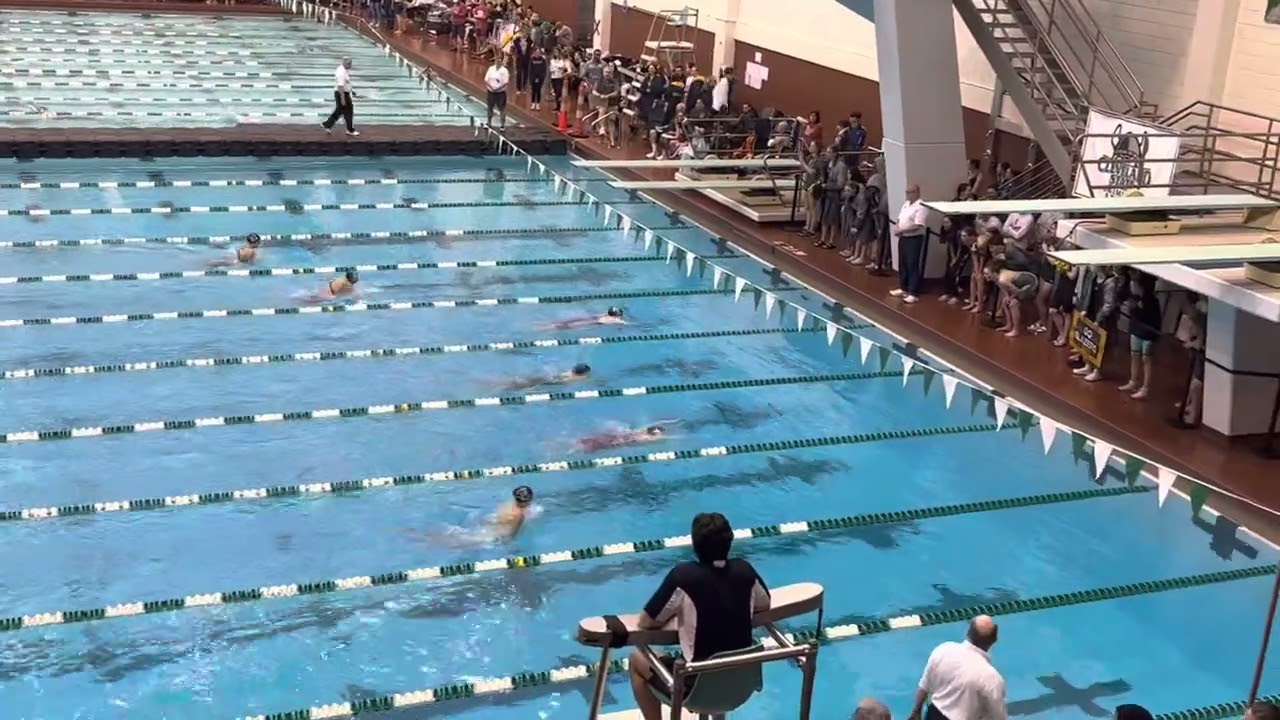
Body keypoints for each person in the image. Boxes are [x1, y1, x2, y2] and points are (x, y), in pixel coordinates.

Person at [627, 512, 771, 720]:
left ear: (694, 545)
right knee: (721, 660)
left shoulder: (684, 576)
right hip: (741, 688)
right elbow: (764, 603)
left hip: (697, 692)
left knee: (636, 660)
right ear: (729, 541)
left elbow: (646, 621)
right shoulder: (745, 571)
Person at [907, 616, 1007, 720]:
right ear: (994, 639)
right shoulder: (992, 679)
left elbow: (924, 686)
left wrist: (916, 712)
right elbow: (998, 717)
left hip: (933, 715)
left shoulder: (944, 650)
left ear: (968, 632)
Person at [890, 182, 928, 304]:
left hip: (914, 238)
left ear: (917, 192)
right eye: (907, 192)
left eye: (910, 192)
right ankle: (903, 287)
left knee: (912, 263)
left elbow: (918, 225)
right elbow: (900, 219)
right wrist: (897, 228)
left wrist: (902, 229)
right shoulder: (906, 204)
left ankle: (913, 292)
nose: (908, 194)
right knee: (903, 263)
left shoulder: (921, 206)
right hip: (903, 237)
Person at [575, 421, 677, 453]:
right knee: (587, 448)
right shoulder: (646, 438)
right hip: (613, 442)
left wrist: (670, 422)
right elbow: (666, 437)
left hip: (612, 437)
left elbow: (655, 425)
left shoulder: (641, 431)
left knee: (586, 441)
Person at [322, 57, 359, 137]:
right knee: (348, 111)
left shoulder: (343, 70)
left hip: (343, 93)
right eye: (349, 64)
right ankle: (350, 130)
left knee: (339, 111)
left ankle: (327, 124)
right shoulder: (341, 72)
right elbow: (340, 87)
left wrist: (351, 91)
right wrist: (342, 99)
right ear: (344, 63)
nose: (350, 65)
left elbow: (346, 84)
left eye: (351, 63)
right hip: (341, 94)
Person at [503, 363, 591, 391]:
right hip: (548, 381)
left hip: (545, 377)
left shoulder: (569, 372)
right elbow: (561, 382)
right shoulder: (578, 378)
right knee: (520, 385)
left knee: (519, 381)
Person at [537, 306, 626, 330]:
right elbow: (625, 323)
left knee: (563, 322)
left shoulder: (605, 314)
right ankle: (543, 328)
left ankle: (542, 323)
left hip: (590, 318)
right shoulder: (615, 320)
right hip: (591, 323)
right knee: (564, 327)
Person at [484, 55, 511, 129]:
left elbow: (506, 82)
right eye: (496, 59)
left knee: (502, 109)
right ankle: (489, 122)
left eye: (499, 60)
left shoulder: (504, 70)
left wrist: (498, 88)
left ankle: (502, 125)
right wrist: (491, 88)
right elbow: (486, 80)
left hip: (500, 93)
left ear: (501, 61)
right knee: (490, 107)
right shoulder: (491, 69)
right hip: (491, 91)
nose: (498, 61)